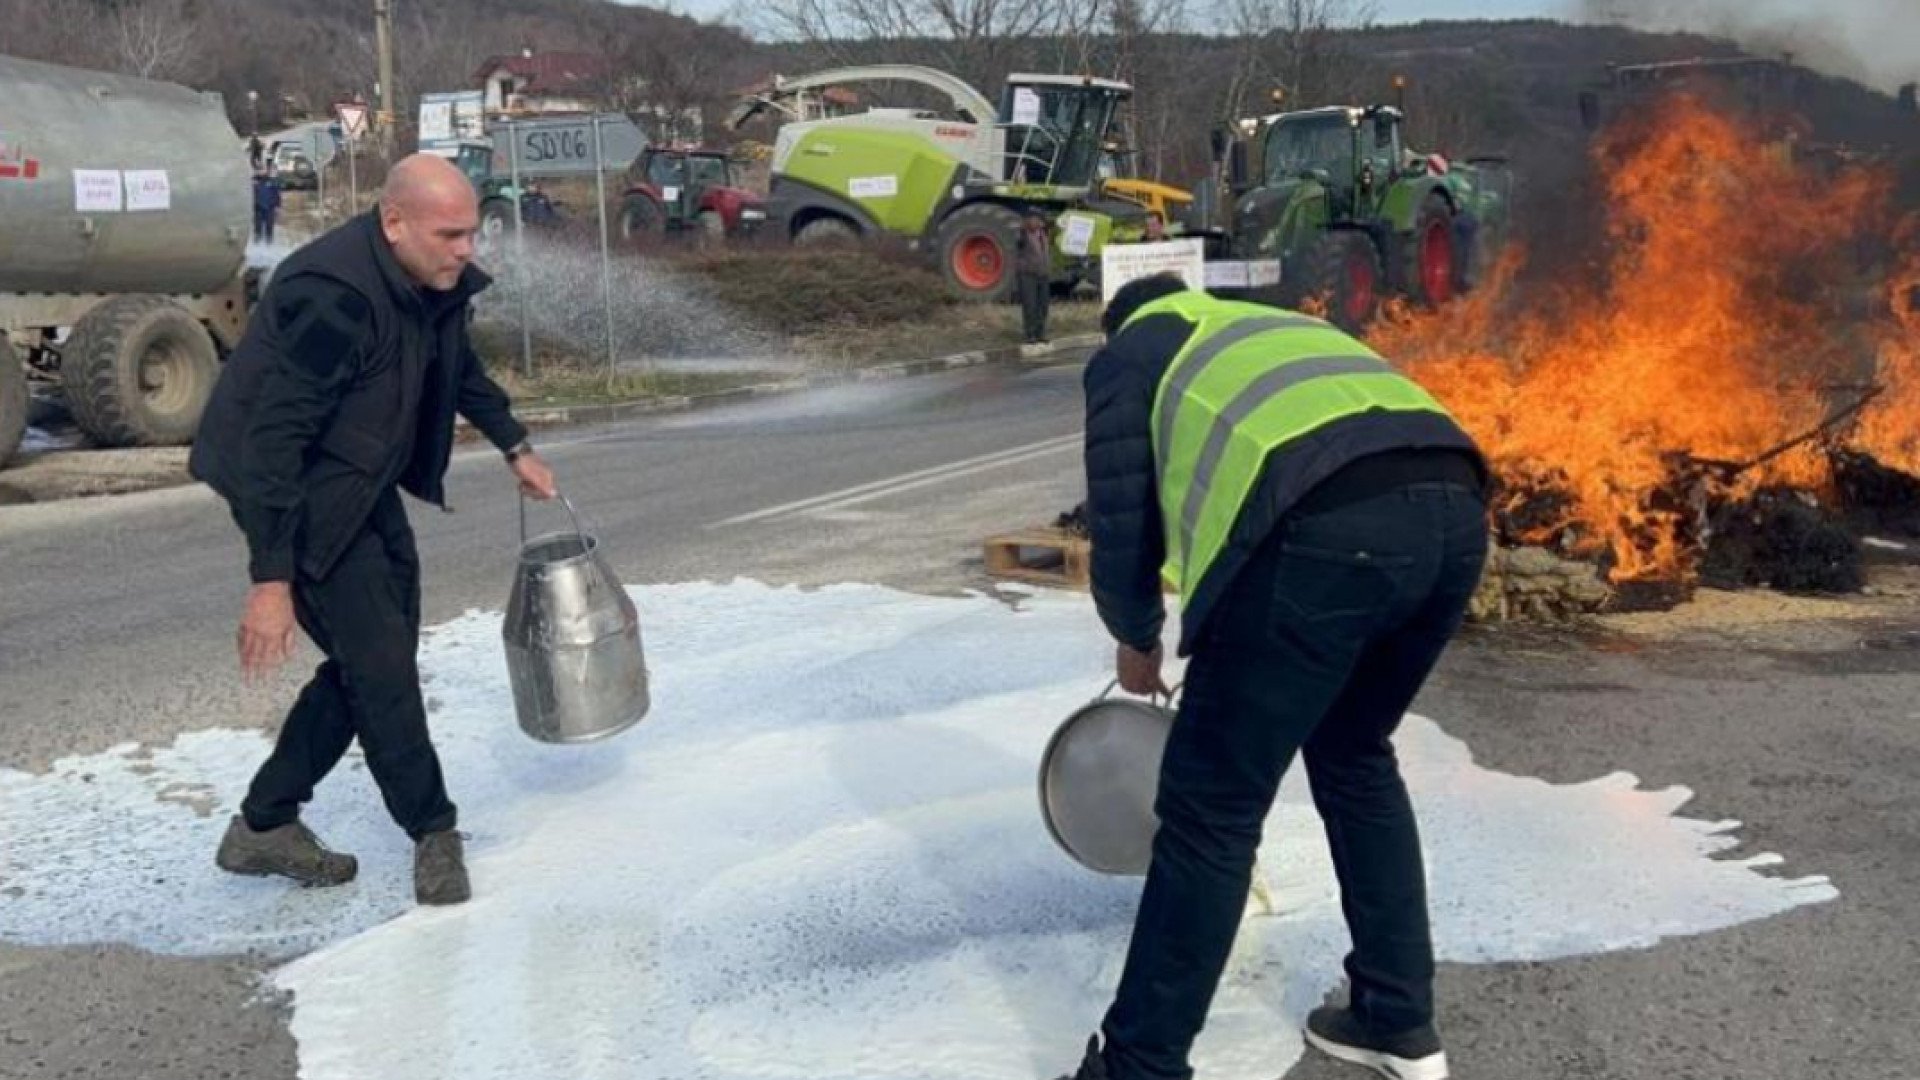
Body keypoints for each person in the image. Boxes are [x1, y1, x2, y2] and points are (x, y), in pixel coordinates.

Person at [1057, 273, 1488, 1080]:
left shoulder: (1131, 352)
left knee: (1210, 813)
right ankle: (1396, 1018)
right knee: (1356, 756)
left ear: (1118, 323)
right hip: (1456, 510)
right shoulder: (1262, 325)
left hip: (1323, 532)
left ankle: (1139, 1068)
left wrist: (1135, 636)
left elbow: (1121, 517)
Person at [189, 153, 558, 906]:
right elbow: (272, 446)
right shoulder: (332, 299)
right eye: (450, 234)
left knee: (371, 660)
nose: (466, 250)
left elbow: (458, 369)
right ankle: (434, 831)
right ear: (395, 222)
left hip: (358, 478)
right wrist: (272, 579)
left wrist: (514, 445)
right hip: (291, 485)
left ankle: (263, 826)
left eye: (471, 233)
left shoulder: (429, 284)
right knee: (382, 670)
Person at [1016, 212, 1052, 345]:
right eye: (1033, 220)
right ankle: (1030, 334)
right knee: (1030, 305)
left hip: (1043, 274)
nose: (1036, 223)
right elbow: (1018, 240)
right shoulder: (1023, 235)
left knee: (1043, 306)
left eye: (1038, 220)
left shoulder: (1044, 235)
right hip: (1027, 275)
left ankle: (1040, 332)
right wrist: (1023, 228)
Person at [251, 165, 281, 244]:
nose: (261, 171)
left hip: (270, 206)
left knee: (269, 225)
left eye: (263, 170)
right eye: (259, 170)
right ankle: (257, 239)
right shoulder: (254, 180)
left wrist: (278, 206)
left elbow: (277, 194)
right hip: (258, 207)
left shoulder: (271, 180)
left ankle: (269, 240)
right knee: (258, 225)